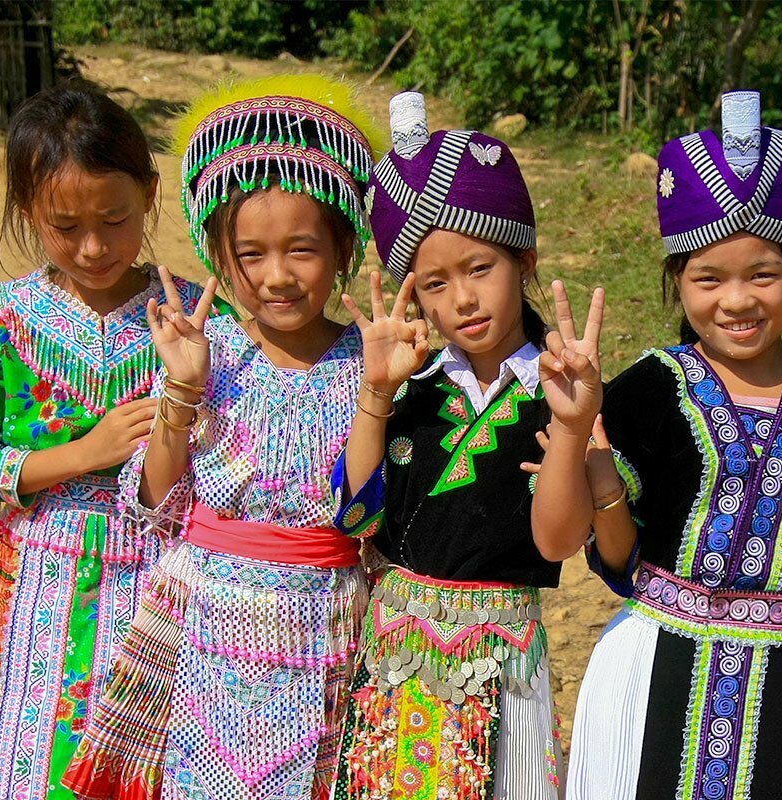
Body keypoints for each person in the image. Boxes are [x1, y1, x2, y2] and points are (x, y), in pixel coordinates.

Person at [61, 75, 385, 800]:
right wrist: (180, 388)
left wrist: (378, 392)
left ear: (343, 247)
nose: (277, 277)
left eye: (301, 249)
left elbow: (368, 517)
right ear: (219, 254)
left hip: (325, 626)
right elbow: (154, 501)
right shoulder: (211, 356)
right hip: (204, 623)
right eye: (251, 254)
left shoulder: (366, 363)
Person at [555, 90, 782, 800]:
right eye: (708, 279)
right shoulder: (647, 388)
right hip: (647, 678)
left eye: (764, 274)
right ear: (677, 283)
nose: (736, 301)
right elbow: (616, 561)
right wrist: (600, 476)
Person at [0, 80, 212, 800]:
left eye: (115, 219)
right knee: (39, 770)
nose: (93, 247)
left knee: (151, 772)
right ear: (27, 211)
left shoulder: (191, 317)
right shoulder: (5, 316)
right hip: (40, 588)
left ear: (150, 194)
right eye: (64, 226)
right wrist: (83, 454)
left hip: (162, 583)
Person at [332, 92, 595, 800]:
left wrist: (572, 430)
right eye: (435, 285)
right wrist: (375, 397)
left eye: (480, 268)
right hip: (397, 661)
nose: (463, 301)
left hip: (506, 663)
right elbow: (355, 519)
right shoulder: (409, 387)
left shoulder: (559, 388)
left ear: (525, 258)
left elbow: (558, 542)